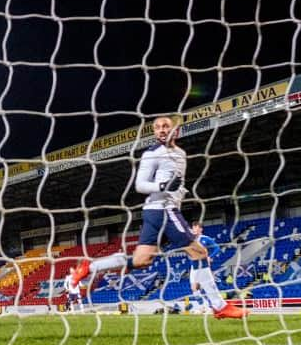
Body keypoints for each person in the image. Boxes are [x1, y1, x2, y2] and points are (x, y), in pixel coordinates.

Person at [72, 116, 247, 319]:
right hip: (163, 209)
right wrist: (162, 187)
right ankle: (219, 306)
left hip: (159, 211)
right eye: (157, 128)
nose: (161, 130)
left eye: (165, 126)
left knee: (141, 260)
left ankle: (89, 267)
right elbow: (140, 184)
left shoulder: (181, 154)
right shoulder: (152, 154)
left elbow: (176, 183)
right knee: (199, 252)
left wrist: (179, 191)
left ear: (176, 131)